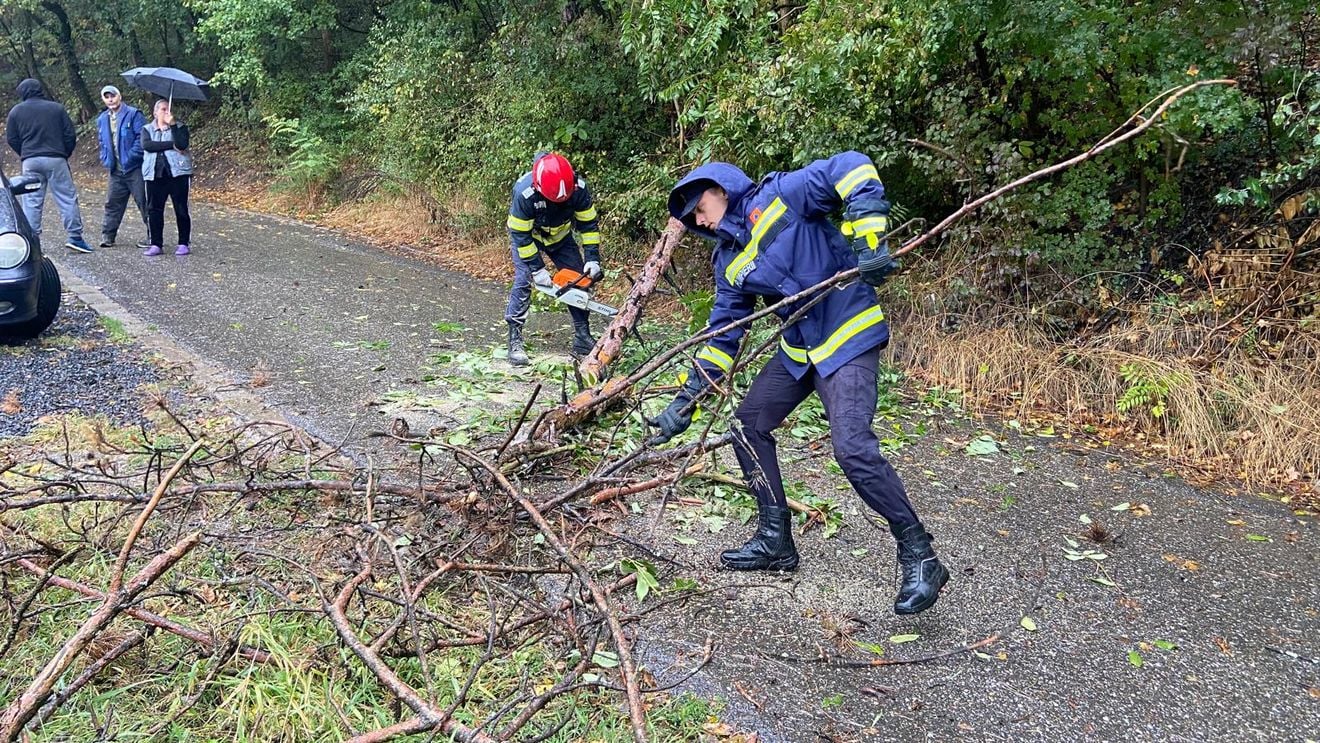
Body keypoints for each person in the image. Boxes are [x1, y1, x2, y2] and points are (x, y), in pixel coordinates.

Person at [649, 152, 949, 616]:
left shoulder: (781, 197)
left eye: (699, 209)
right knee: (747, 426)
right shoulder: (728, 260)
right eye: (691, 220)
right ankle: (775, 540)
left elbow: (852, 167)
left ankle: (920, 553)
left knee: (852, 449)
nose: (698, 222)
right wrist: (687, 400)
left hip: (847, 334)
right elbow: (723, 335)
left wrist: (869, 240)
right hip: (800, 351)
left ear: (720, 190)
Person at [503, 152, 603, 365]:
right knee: (524, 280)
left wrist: (592, 258)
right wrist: (537, 268)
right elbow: (520, 235)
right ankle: (515, 339)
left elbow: (589, 225)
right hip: (529, 238)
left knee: (579, 280)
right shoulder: (524, 194)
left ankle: (582, 336)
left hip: (561, 237)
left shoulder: (579, 189)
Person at [4, 78, 93, 253]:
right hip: (55, 158)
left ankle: (32, 242)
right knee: (66, 197)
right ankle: (75, 238)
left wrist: (25, 153)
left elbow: (12, 138)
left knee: (31, 201)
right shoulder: (56, 108)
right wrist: (63, 153)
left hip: (30, 160)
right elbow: (70, 135)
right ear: (40, 89)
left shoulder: (16, 112)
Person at [95, 85, 150, 249]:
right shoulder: (102, 119)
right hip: (115, 170)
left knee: (144, 201)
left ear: (120, 96)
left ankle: (153, 236)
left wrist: (131, 157)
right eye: (107, 97)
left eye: (113, 96)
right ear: (104, 100)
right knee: (112, 203)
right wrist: (105, 158)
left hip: (135, 168)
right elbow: (102, 142)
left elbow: (142, 138)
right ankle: (108, 236)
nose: (110, 99)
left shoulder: (134, 114)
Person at [140, 99, 193, 256]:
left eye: (169, 109)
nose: (166, 112)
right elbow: (148, 146)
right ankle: (156, 244)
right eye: (163, 109)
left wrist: (173, 125)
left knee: (181, 209)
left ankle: (183, 243)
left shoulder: (180, 127)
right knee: (154, 210)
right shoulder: (147, 129)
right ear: (155, 112)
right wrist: (172, 145)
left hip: (178, 174)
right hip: (155, 174)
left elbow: (182, 144)